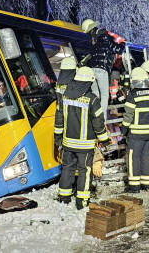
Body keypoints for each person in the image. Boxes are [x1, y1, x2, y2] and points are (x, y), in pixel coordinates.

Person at [54, 66, 110, 209]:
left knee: (67, 168)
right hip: (85, 146)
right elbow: (98, 123)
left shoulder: (64, 95)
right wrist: (104, 140)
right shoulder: (92, 99)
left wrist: (57, 136)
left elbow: (59, 117)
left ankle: (64, 198)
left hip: (67, 143)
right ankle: (82, 201)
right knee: (85, 171)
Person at [121, 67, 149, 192]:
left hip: (136, 133)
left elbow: (128, 115)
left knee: (134, 157)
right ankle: (147, 184)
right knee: (147, 156)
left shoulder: (133, 95)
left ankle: (134, 186)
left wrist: (124, 129)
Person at [81, 19, 126, 121]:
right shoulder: (106, 38)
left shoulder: (94, 42)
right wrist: (123, 43)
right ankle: (102, 121)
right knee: (104, 95)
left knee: (95, 94)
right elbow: (118, 49)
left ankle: (93, 117)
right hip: (102, 70)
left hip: (92, 70)